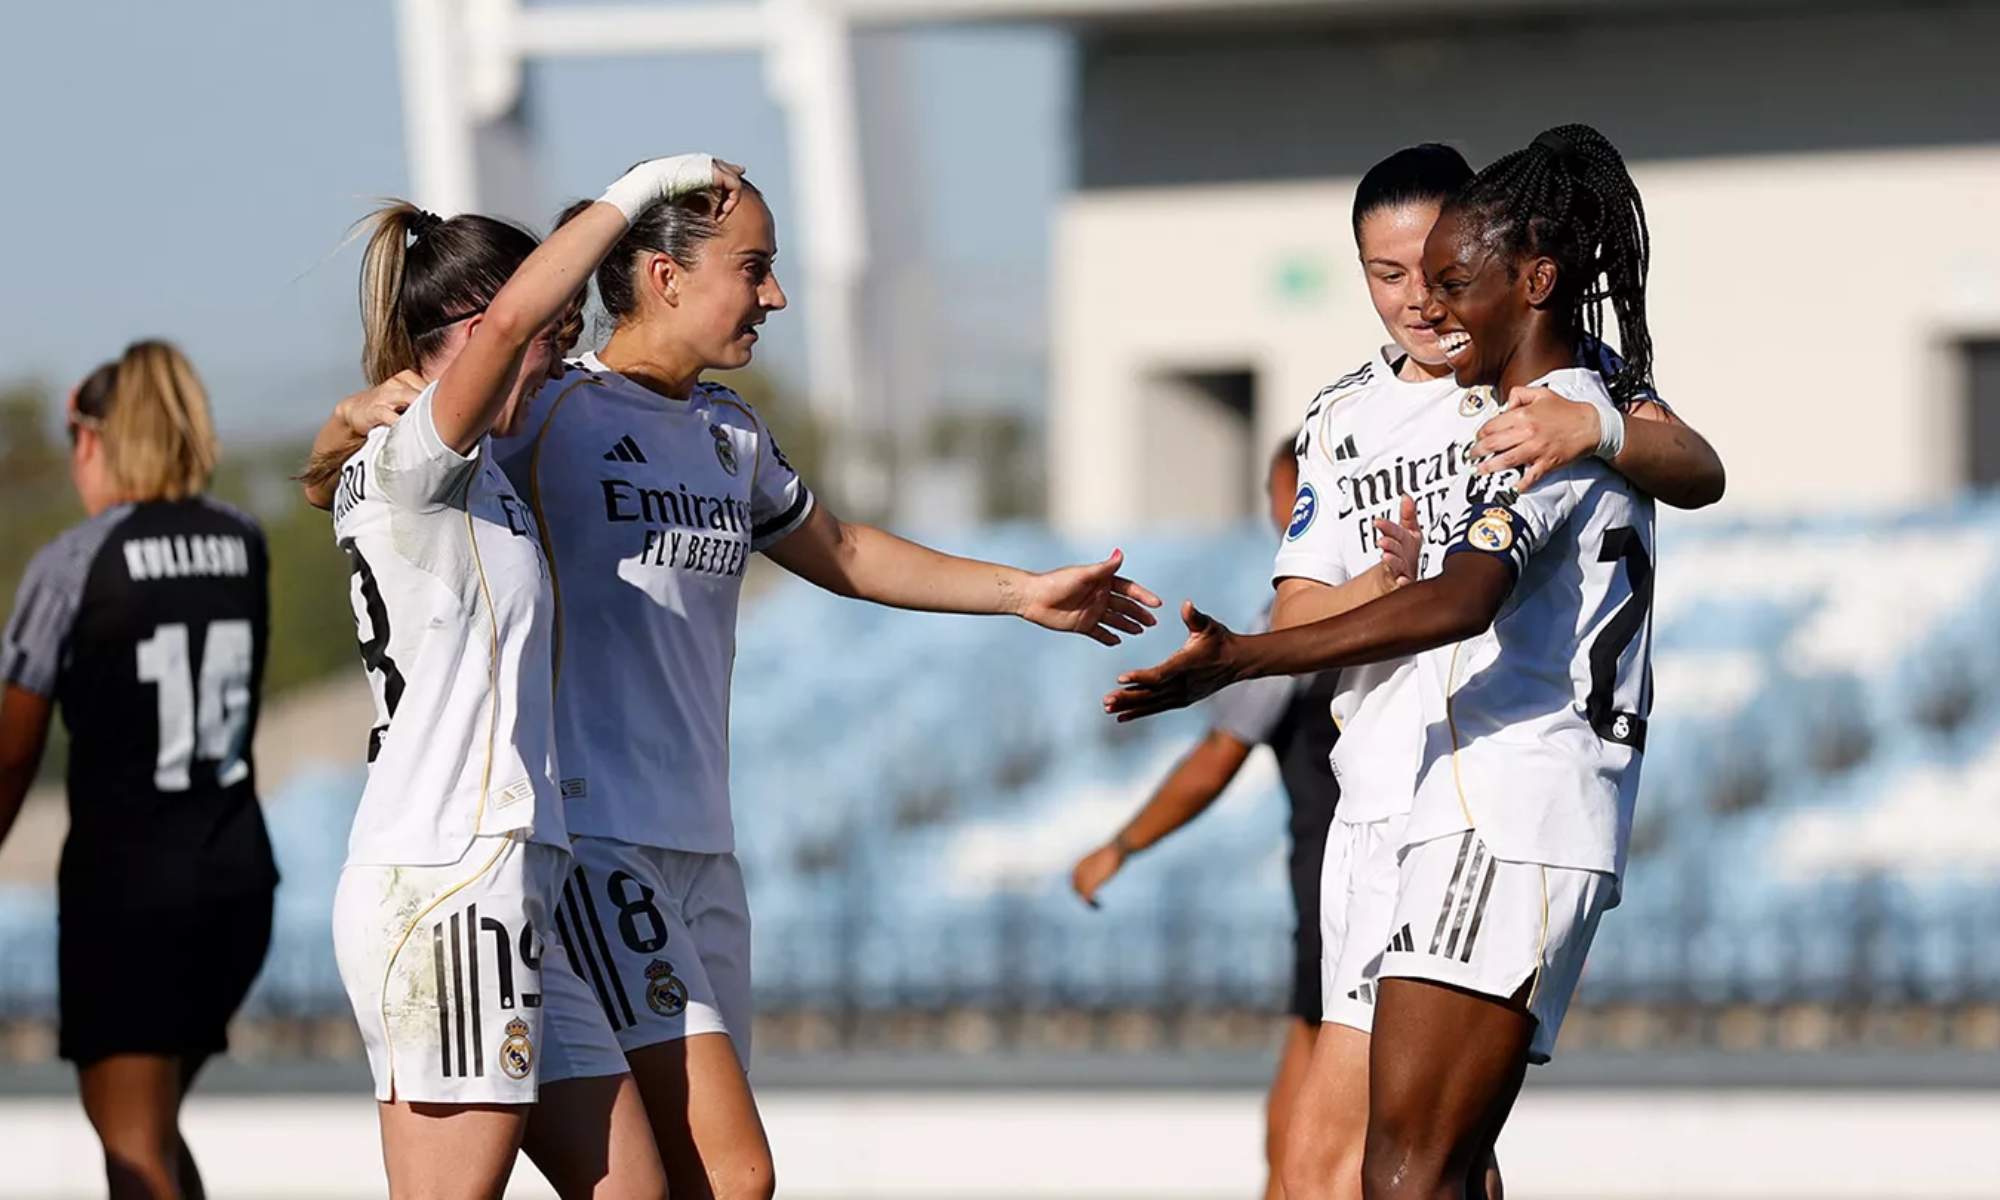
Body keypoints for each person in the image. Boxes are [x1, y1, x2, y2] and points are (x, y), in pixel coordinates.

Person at [314, 169, 1162, 1199]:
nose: (775, 296)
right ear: (664, 276)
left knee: (673, 1184)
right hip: (574, 847)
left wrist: (1022, 593)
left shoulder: (726, 431)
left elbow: (840, 546)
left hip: (684, 847)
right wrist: (358, 412)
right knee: (734, 1173)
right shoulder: (541, 416)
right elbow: (388, 448)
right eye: (753, 268)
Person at [1107, 125, 1672, 1200]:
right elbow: (1309, 594)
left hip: (1494, 794)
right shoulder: (1343, 417)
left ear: (1502, 266)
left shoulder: (1544, 399)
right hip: (1380, 804)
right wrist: (1375, 590)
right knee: (1385, 1162)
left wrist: (1247, 658)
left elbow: (1670, 472)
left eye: (1444, 271)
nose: (1421, 297)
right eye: (1389, 274)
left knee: (1399, 1168)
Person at [298, 154, 746, 1200]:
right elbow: (501, 338)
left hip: (518, 878)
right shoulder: (426, 454)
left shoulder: (464, 465)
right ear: (483, 324)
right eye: (551, 336)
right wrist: (648, 187)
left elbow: (335, 475)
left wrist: (333, 426)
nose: (557, 361)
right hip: (449, 876)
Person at [0, 341, 277, 1200]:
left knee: (131, 1147)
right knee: (153, 1131)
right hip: (237, 883)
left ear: (100, 440)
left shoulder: (76, 562)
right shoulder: (244, 540)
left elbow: (12, 750)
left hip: (129, 893)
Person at [1070, 437, 1343, 1200]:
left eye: (1284, 493)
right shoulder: (1397, 601)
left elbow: (1216, 761)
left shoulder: (1298, 619)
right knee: (1327, 1072)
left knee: (1333, 1092)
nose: (1276, 510)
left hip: (1348, 880)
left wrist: (1122, 845)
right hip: (1350, 881)